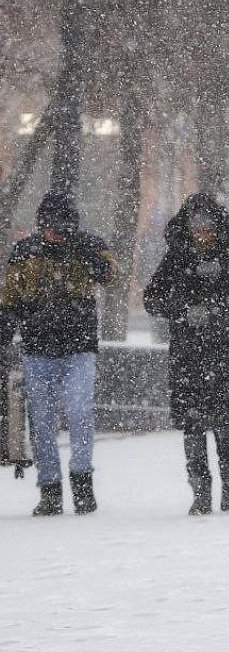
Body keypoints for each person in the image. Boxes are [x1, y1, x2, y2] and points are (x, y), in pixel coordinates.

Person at [144, 193, 229, 515]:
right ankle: (200, 492)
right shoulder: (175, 259)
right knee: (193, 426)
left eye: (208, 228)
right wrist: (183, 310)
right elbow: (152, 298)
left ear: (218, 228)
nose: (202, 234)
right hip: (188, 355)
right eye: (196, 227)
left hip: (226, 353)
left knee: (226, 425)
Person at [0, 191, 116, 516]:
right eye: (48, 225)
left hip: (79, 348)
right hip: (38, 351)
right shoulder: (25, 253)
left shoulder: (89, 246)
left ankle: (82, 482)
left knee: (80, 413)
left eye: (59, 225)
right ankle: (49, 488)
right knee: (41, 422)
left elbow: (109, 274)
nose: (53, 232)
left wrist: (82, 252)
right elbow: (9, 299)